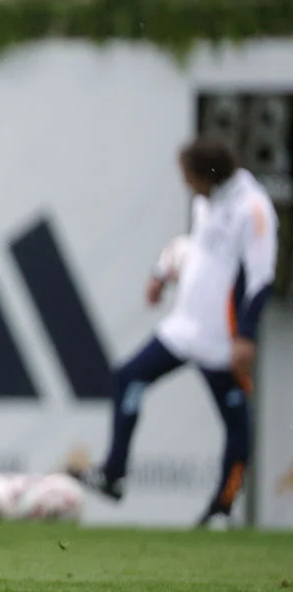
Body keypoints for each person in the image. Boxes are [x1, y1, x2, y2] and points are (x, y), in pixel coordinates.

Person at [70, 137, 278, 529]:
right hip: (184, 327)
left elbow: (262, 277)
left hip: (222, 339)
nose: (185, 185)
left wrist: (246, 336)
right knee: (128, 376)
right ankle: (114, 474)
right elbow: (196, 251)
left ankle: (222, 508)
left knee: (236, 425)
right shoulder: (206, 202)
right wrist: (162, 273)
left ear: (207, 175)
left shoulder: (254, 209)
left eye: (188, 177)